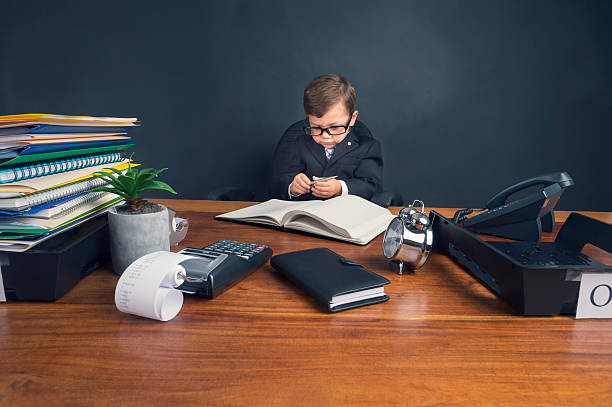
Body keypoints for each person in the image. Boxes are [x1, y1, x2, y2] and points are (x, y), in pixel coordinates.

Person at [270, 74, 383, 201]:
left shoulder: (368, 147)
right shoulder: (299, 143)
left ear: (352, 119)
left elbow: (371, 186)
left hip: (348, 215)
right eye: (316, 127)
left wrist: (339, 187)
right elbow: (280, 184)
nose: (325, 136)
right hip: (307, 214)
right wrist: (293, 187)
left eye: (334, 128)